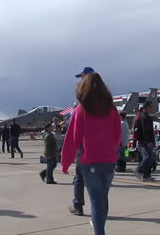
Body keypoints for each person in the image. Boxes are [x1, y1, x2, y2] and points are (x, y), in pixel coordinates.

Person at [62, 72, 121, 235]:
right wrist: (111, 152)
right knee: (103, 198)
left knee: (96, 202)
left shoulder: (81, 110)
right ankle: (98, 226)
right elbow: (118, 136)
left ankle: (99, 231)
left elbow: (72, 139)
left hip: (91, 162)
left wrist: (65, 162)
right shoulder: (112, 109)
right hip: (109, 162)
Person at [68, 67, 94, 217]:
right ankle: (99, 208)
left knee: (79, 178)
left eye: (82, 77)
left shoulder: (81, 105)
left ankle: (78, 205)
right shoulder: (104, 102)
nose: (80, 80)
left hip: (85, 149)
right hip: (101, 150)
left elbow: (72, 128)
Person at [135, 101, 156, 181]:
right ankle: (139, 169)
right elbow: (146, 130)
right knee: (148, 157)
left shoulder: (144, 116)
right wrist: (149, 141)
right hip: (145, 141)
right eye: (151, 107)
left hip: (144, 141)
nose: (152, 108)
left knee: (149, 158)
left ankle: (147, 175)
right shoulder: (145, 117)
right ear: (147, 107)